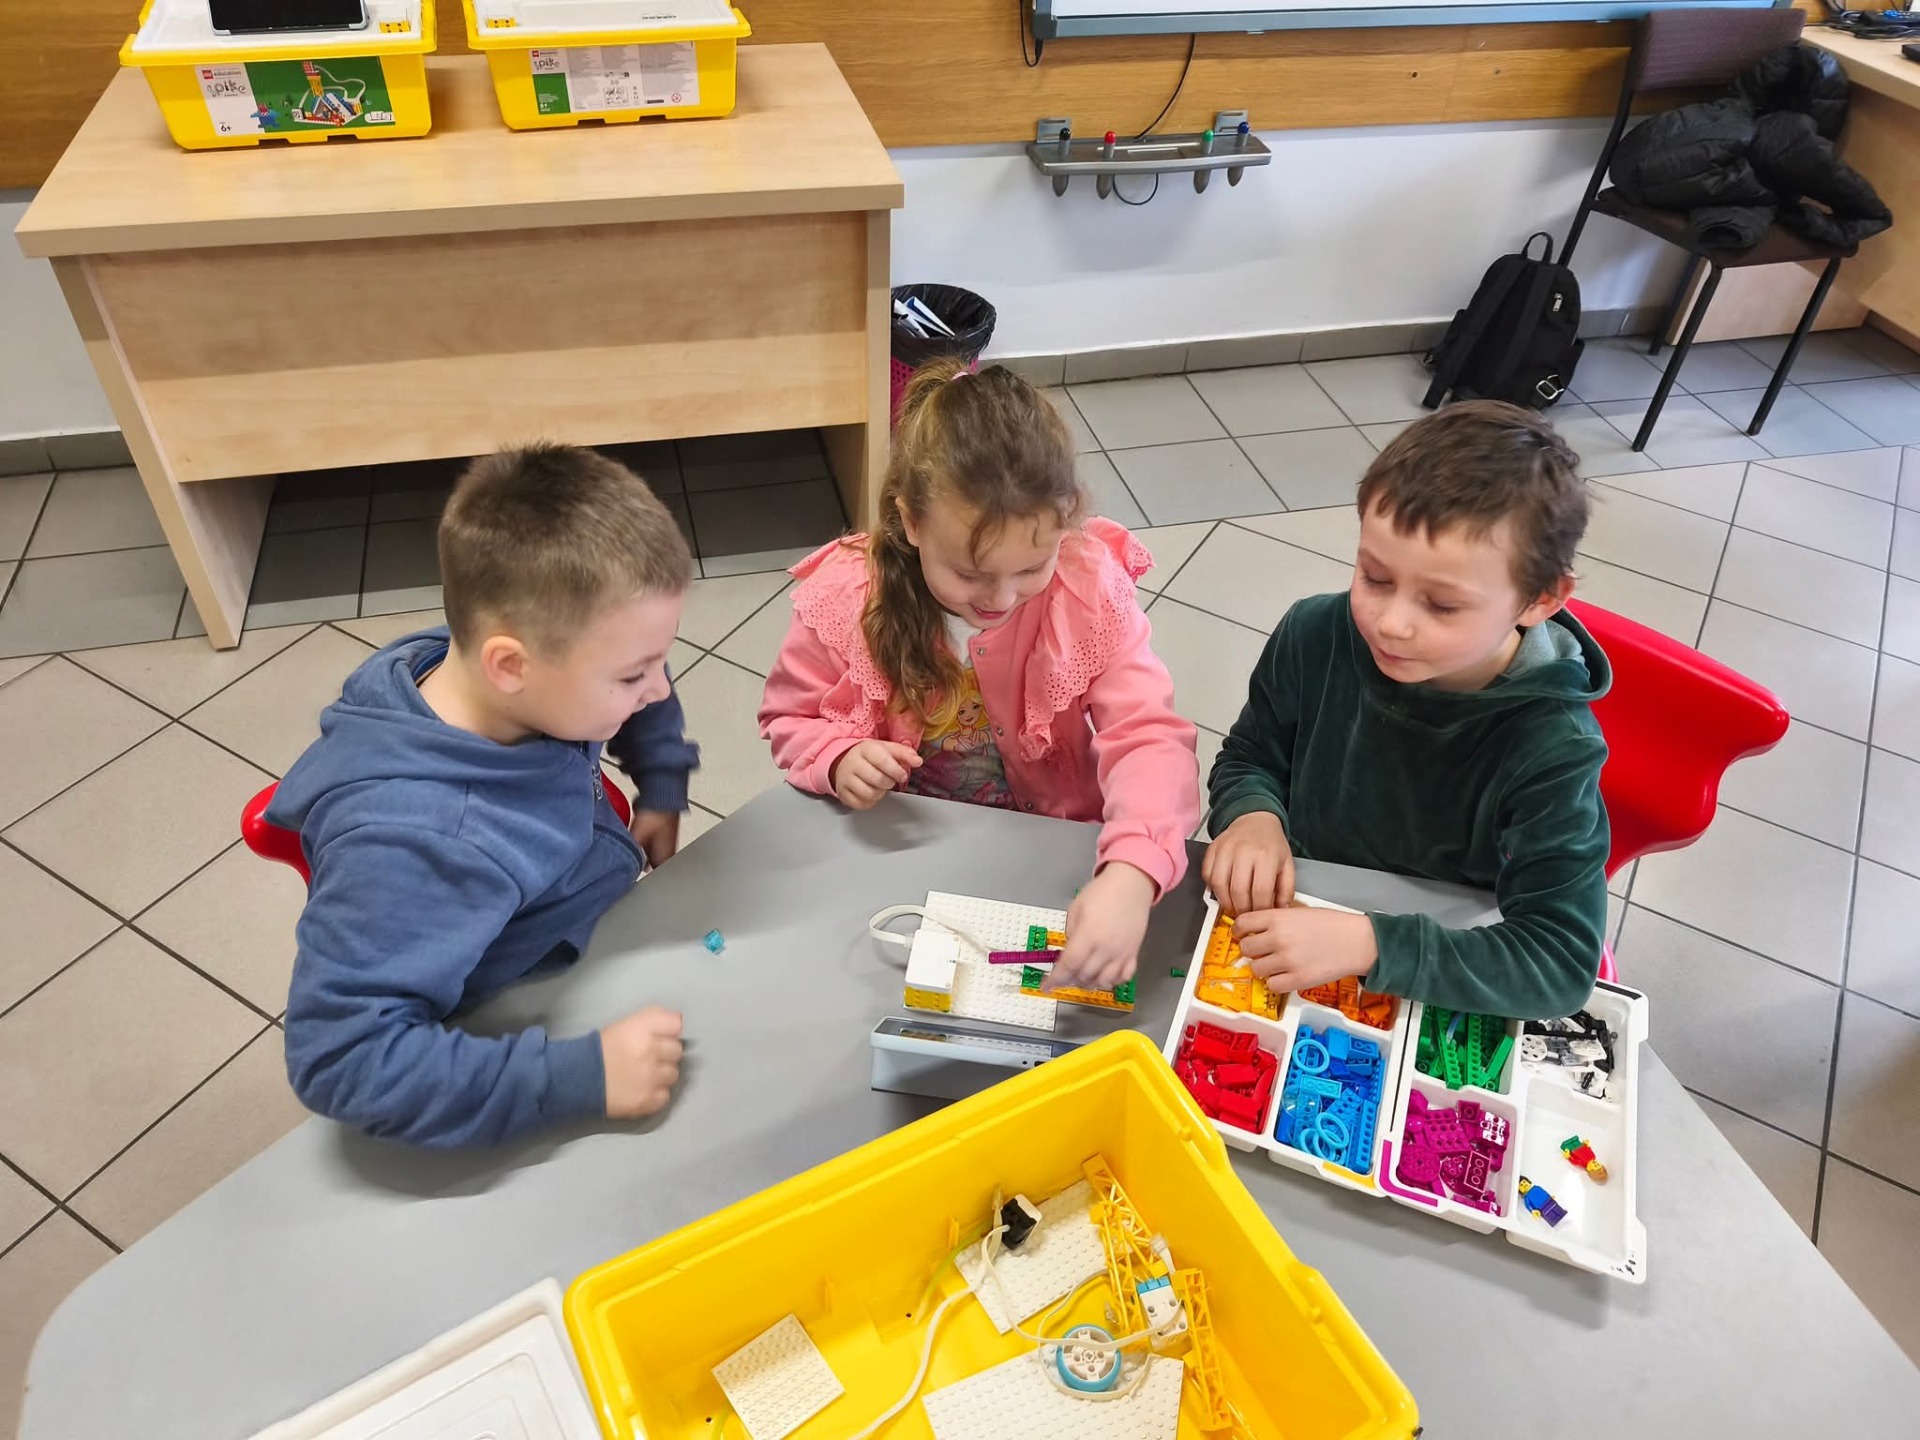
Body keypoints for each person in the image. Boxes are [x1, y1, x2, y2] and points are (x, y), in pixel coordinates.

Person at [268, 444, 699, 1147]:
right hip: (505, 1027)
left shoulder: (499, 667)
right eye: (631, 678)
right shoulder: (420, 843)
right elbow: (341, 1061)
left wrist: (661, 780)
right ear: (509, 665)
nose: (655, 689)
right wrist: (580, 1078)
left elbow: (642, 671)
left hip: (581, 903)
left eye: (656, 663)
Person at [759, 360, 1199, 989]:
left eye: (1032, 567)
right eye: (969, 574)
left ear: (1065, 524)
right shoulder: (848, 597)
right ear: (911, 522)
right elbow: (788, 717)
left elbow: (1148, 736)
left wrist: (1132, 871)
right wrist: (836, 756)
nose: (1001, 597)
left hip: (1048, 848)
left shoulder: (1086, 588)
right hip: (905, 846)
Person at [1204, 400, 1609, 1020]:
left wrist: (1372, 943)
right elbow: (1251, 755)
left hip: (1438, 947)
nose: (1391, 623)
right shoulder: (1314, 632)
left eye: (1442, 605)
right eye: (1375, 577)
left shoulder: (1553, 746)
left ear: (1539, 599)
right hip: (1306, 892)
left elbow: (1558, 963)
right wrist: (1252, 816)